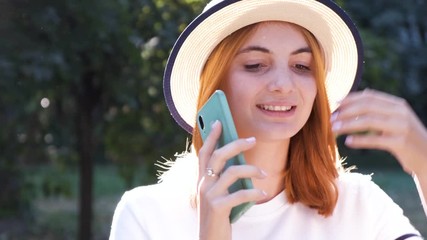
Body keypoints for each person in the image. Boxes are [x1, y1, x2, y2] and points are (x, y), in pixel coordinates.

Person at [109, 0, 425, 239]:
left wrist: (424, 161)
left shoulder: (359, 205)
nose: (283, 84)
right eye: (256, 64)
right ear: (215, 83)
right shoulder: (145, 216)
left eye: (302, 66)